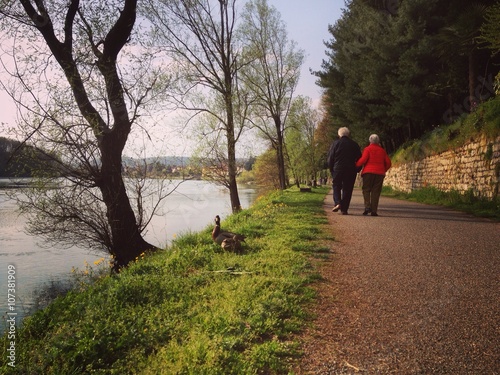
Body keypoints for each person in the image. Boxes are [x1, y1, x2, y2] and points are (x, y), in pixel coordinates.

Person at [327, 127, 361, 215]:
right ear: (348, 134)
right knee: (347, 189)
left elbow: (330, 158)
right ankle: (344, 209)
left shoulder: (335, 144)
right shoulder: (354, 144)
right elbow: (360, 158)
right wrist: (358, 169)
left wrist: (331, 170)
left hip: (338, 169)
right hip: (350, 170)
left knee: (336, 186)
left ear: (339, 134)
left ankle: (338, 202)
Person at [356, 134, 391, 216]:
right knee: (376, 191)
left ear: (370, 141)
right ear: (378, 141)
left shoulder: (367, 149)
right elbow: (388, 163)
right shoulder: (382, 150)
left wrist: (356, 165)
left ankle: (367, 207)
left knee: (366, 190)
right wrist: (383, 169)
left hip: (368, 173)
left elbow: (363, 160)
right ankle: (374, 211)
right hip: (379, 174)